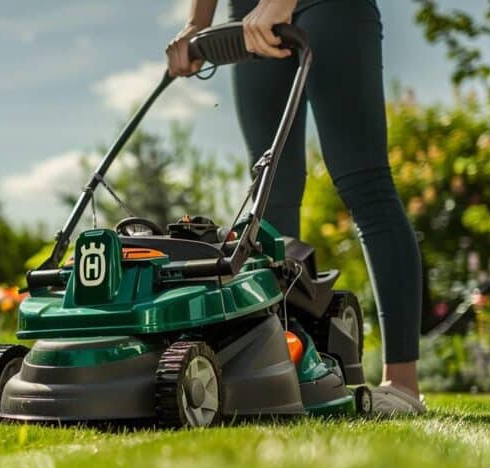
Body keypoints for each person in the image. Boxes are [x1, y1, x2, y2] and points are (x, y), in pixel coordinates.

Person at [166, 0, 425, 414]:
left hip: (326, 6)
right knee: (270, 197)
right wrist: (197, 23)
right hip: (249, 15)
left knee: (365, 182)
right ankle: (287, 374)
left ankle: (402, 383)